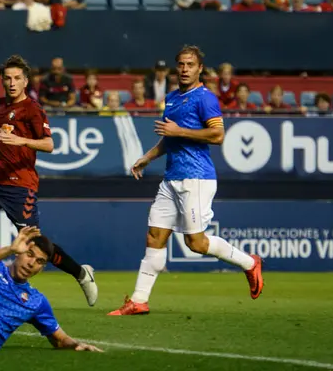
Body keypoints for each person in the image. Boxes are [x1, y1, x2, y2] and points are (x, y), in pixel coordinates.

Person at [107, 45, 264, 316]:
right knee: (155, 235)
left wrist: (179, 130)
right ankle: (139, 300)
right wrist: (147, 157)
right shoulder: (171, 97)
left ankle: (249, 263)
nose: (184, 69)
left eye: (190, 64)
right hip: (172, 178)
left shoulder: (205, 98)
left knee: (196, 243)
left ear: (199, 68)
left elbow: (217, 135)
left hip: (197, 178)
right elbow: (170, 138)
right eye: (180, 64)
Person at [0, 55, 98, 307]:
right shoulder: (0, 105)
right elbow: (5, 130)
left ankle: (81, 273)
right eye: (7, 78)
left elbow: (49, 144)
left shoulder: (33, 109)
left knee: (36, 245)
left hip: (20, 187)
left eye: (17, 78)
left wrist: (22, 141)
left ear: (26, 81)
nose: (12, 83)